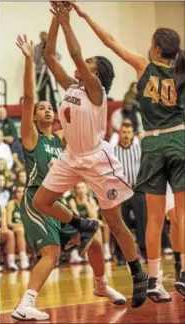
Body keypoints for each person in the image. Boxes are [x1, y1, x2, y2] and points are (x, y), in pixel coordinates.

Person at [33, 2, 147, 309]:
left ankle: (138, 273)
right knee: (41, 202)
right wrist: (56, 20)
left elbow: (73, 55)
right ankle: (82, 224)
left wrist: (68, 22)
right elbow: (48, 55)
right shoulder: (72, 87)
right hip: (71, 157)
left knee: (116, 222)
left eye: (89, 64)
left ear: (96, 72)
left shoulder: (96, 91)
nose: (83, 65)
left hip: (97, 160)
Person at [73, 2, 185, 302]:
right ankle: (184, 273)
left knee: (154, 219)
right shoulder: (181, 71)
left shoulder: (142, 66)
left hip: (151, 143)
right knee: (183, 214)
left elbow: (110, 40)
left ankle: (153, 280)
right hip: (179, 140)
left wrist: (85, 16)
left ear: (157, 50)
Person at [11, 33, 126, 322]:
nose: (47, 109)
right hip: (36, 202)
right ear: (35, 118)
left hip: (56, 204)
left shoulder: (62, 139)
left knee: (94, 239)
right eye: (42, 108)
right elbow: (27, 99)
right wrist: (28, 61)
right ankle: (26, 304)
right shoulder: (31, 136)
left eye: (50, 107)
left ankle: (101, 285)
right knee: (51, 253)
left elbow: (83, 148)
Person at [114, 122, 147, 262]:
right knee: (121, 224)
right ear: (119, 134)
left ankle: (145, 253)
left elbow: (145, 168)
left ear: (132, 134)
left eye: (128, 132)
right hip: (120, 192)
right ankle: (121, 256)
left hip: (137, 190)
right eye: (123, 132)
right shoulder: (113, 150)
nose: (126, 135)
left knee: (143, 223)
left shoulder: (138, 149)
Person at [34, 31, 61, 111]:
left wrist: (51, 56)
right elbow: (35, 60)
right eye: (43, 39)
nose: (44, 40)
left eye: (46, 38)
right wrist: (43, 58)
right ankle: (41, 108)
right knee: (41, 91)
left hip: (51, 72)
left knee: (53, 90)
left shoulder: (52, 46)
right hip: (40, 72)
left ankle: (54, 109)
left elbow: (59, 57)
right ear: (41, 39)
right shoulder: (37, 47)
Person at [7, 186, 30, 270]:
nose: (21, 194)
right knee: (21, 230)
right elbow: (9, 223)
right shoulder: (11, 204)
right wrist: (22, 226)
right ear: (15, 194)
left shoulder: (28, 204)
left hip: (27, 228)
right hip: (15, 227)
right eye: (18, 192)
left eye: (22, 192)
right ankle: (23, 259)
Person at [0, 204, 18, 271]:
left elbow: (4, 226)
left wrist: (2, 227)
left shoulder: (1, 209)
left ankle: (11, 262)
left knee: (10, 233)